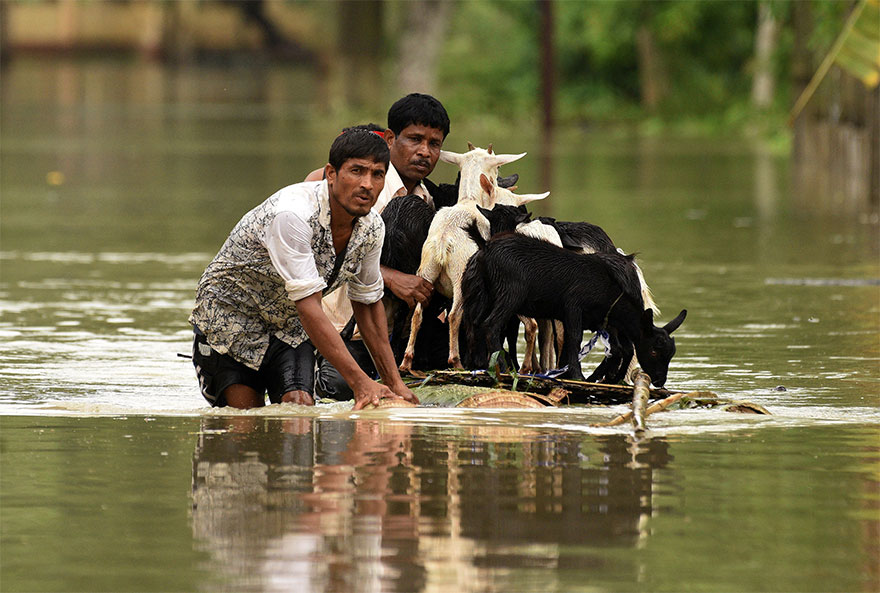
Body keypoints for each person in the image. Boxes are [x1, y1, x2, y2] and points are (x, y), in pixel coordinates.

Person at [189, 129, 418, 410]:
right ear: (331, 174)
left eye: (377, 174)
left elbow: (368, 305)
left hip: (289, 326)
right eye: (356, 171)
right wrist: (360, 383)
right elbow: (310, 307)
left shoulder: (371, 227)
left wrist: (394, 384)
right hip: (232, 320)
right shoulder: (293, 215)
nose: (367, 185)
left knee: (299, 411)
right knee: (245, 425)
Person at [315, 93, 452, 399]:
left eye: (434, 144)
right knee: (335, 390)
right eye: (414, 139)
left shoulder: (427, 198)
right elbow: (326, 255)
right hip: (345, 330)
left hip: (395, 334)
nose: (424, 152)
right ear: (390, 139)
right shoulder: (362, 189)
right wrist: (392, 278)